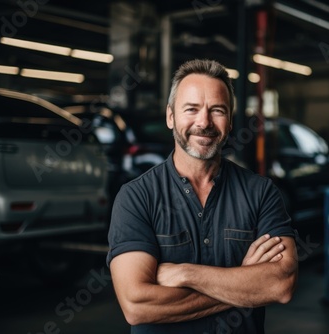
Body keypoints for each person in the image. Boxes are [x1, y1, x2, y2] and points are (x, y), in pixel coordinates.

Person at [106, 59, 298, 333]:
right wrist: (244, 285)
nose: (204, 122)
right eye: (191, 109)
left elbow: (281, 285)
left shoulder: (261, 192)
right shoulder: (137, 197)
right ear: (170, 116)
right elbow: (137, 305)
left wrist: (185, 273)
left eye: (217, 110)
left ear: (230, 121)